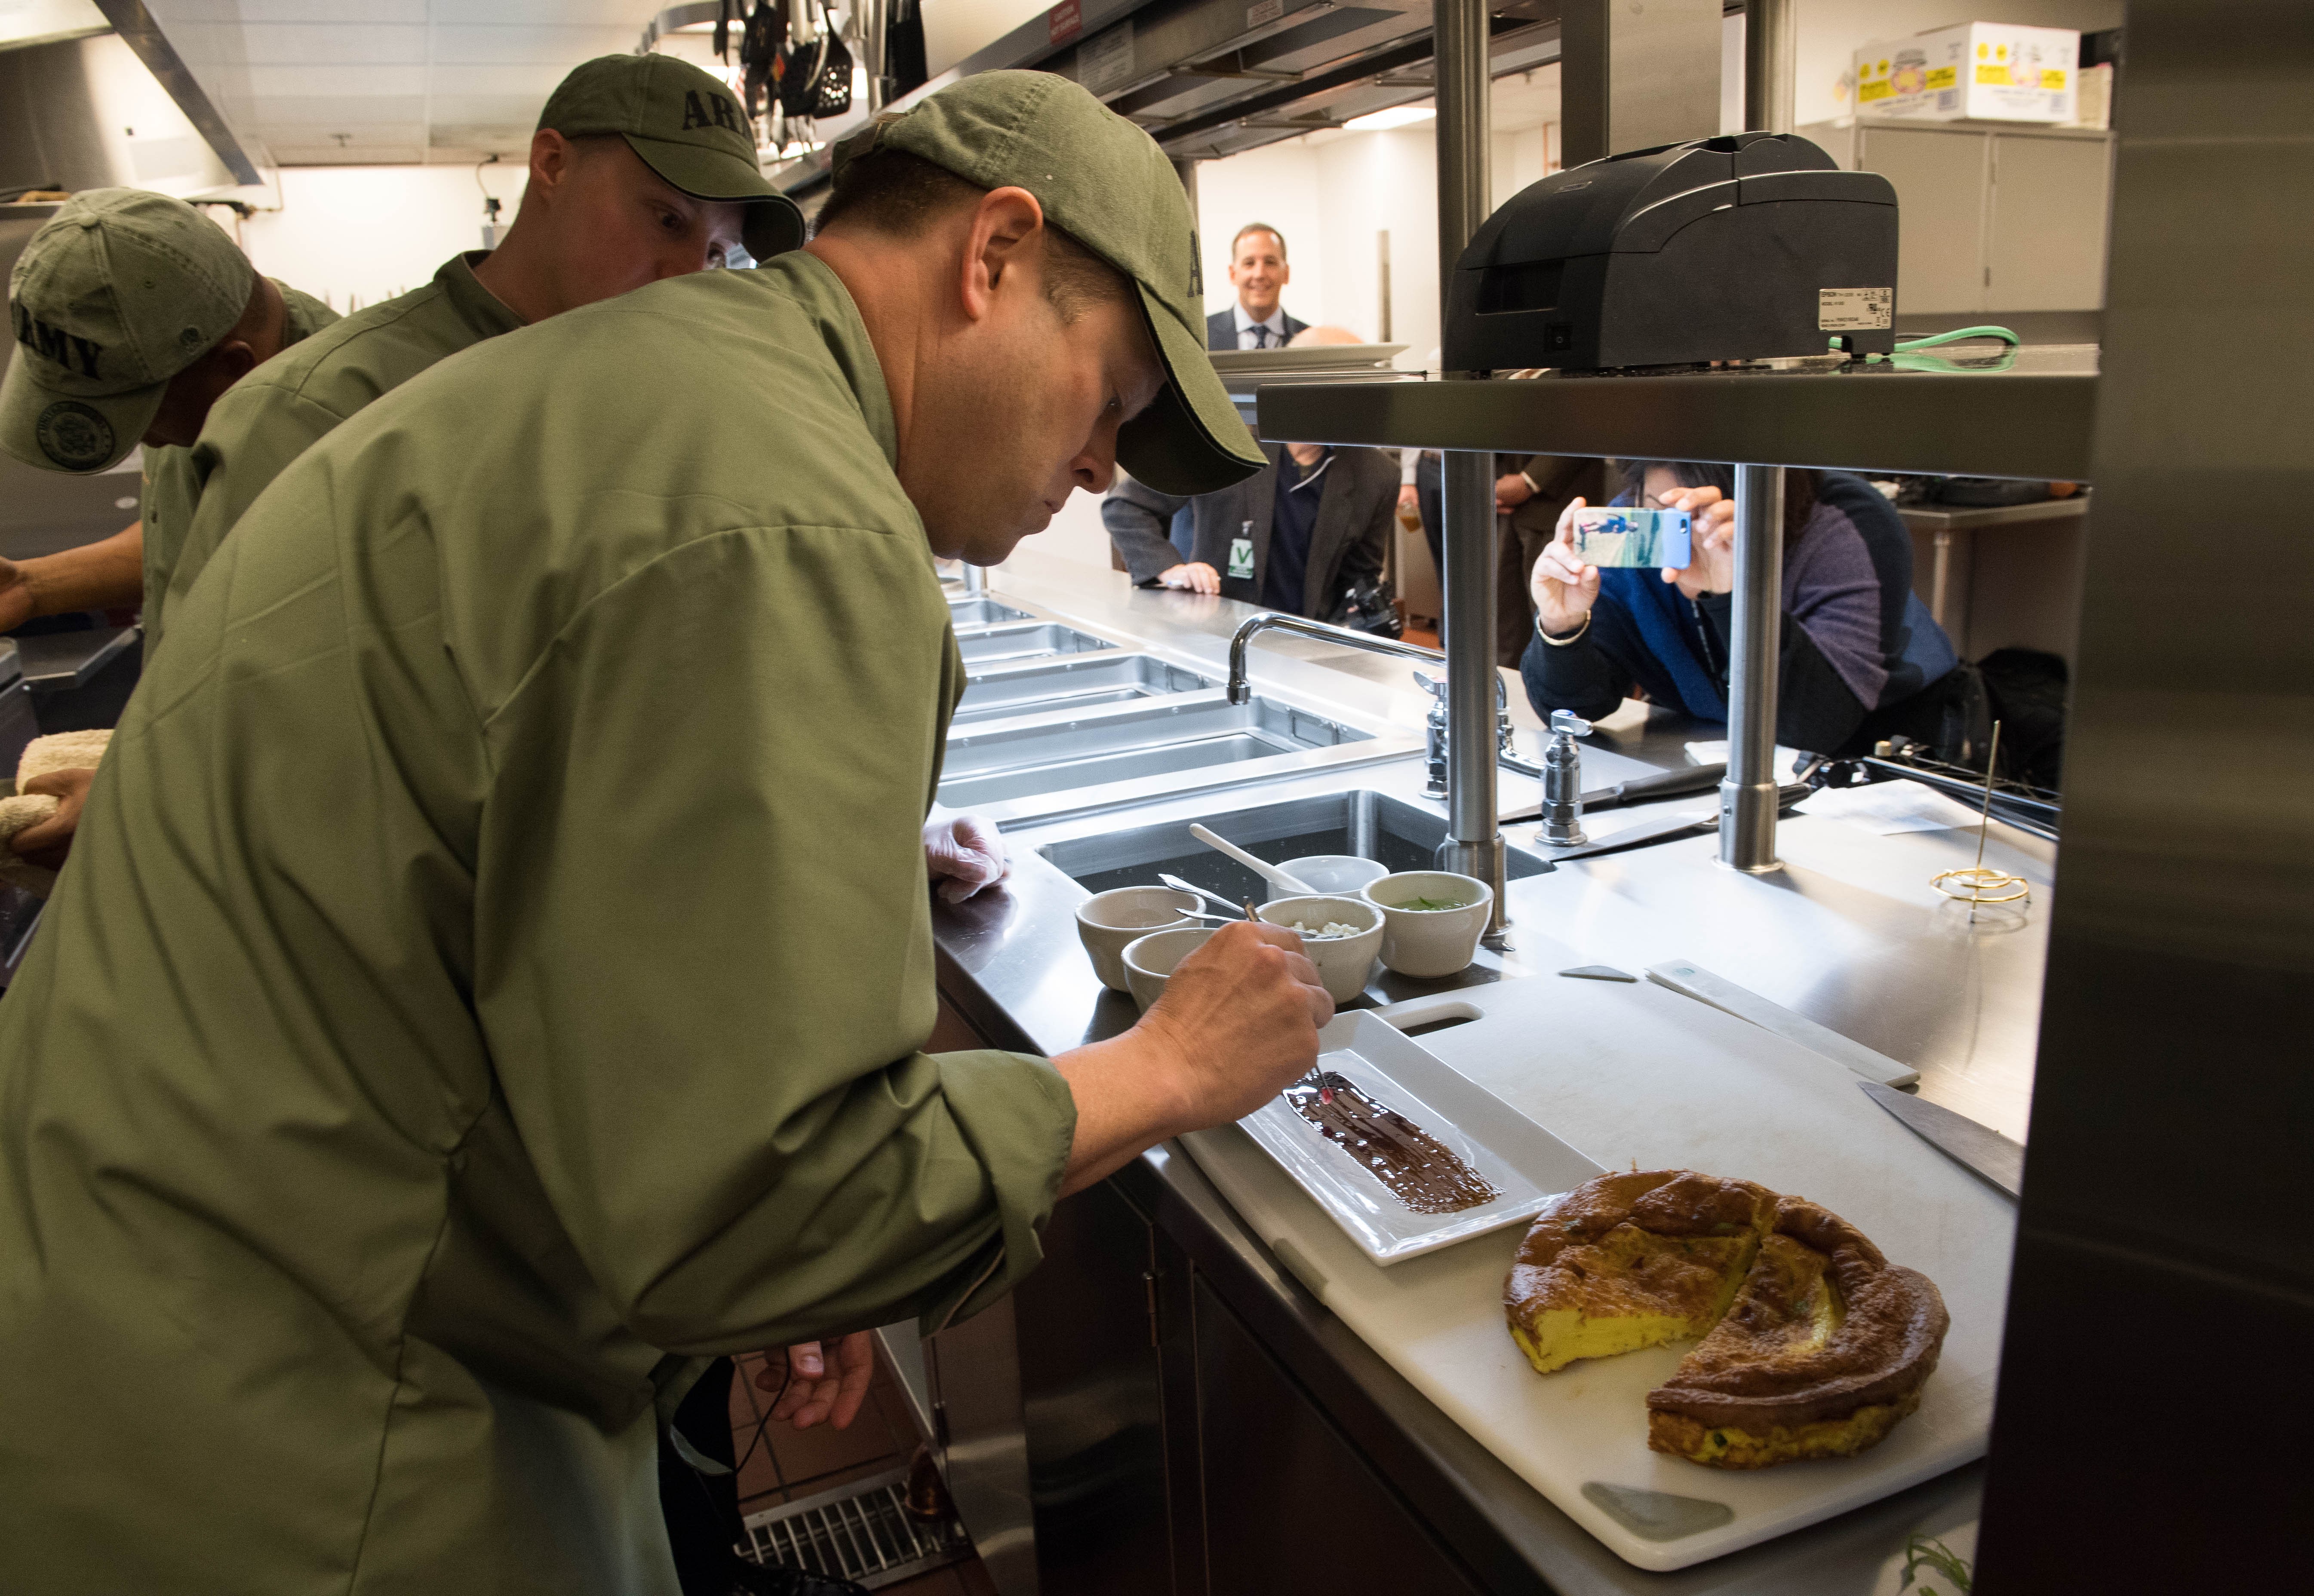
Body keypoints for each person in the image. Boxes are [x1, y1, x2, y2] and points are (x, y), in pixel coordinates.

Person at [0, 68, 1328, 1596]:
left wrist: (769, 1119)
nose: (1103, 464)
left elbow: (547, 906)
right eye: (1117, 397)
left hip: (142, 1341)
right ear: (995, 256)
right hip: (319, 1446)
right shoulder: (785, 518)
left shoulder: (656, 386)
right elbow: (774, 1214)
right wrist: (1160, 1069)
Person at [154, 52, 805, 659]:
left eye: (719, 254)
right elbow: (231, 705)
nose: (687, 275)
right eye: (668, 220)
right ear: (553, 164)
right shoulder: (323, 408)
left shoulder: (671, 412)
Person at [0, 189, 338, 862]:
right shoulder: (194, 363)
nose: (145, 438)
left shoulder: (340, 442)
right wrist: (33, 586)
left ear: (232, 368)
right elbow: (196, 539)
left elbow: (336, 721)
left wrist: (154, 797)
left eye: (140, 414)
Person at [1522, 460, 1967, 756]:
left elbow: (1811, 729)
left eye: (1696, 518)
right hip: (1713, 751)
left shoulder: (1844, 522)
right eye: (1656, 509)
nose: (1677, 538)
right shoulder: (1633, 530)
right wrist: (1563, 627)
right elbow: (1573, 711)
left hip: (1875, 757)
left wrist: (1732, 595)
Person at [1103, 326, 1395, 622]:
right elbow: (1126, 507)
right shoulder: (1223, 440)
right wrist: (1171, 569)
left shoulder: (1378, 476)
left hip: (1302, 644)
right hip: (1213, 628)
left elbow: (1360, 577)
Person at [1493, 451, 1612, 665]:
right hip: (1501, 494)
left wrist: (1529, 481)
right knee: (1505, 629)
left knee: (1565, 627)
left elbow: (1585, 422)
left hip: (1558, 499)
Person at [1203, 221, 1308, 350]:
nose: (1260, 274)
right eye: (1249, 263)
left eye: (1270, 263)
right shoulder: (1202, 336)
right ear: (1233, 274)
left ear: (1286, 274)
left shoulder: (1311, 341)